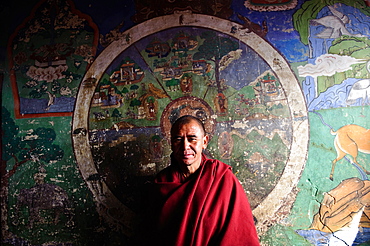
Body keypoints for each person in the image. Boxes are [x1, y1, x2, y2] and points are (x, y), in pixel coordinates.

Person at [144, 115, 260, 246]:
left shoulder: (222, 178)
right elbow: (153, 236)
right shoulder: (162, 183)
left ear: (204, 142)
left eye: (192, 139)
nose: (185, 146)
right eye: (178, 139)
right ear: (171, 143)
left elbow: (239, 231)